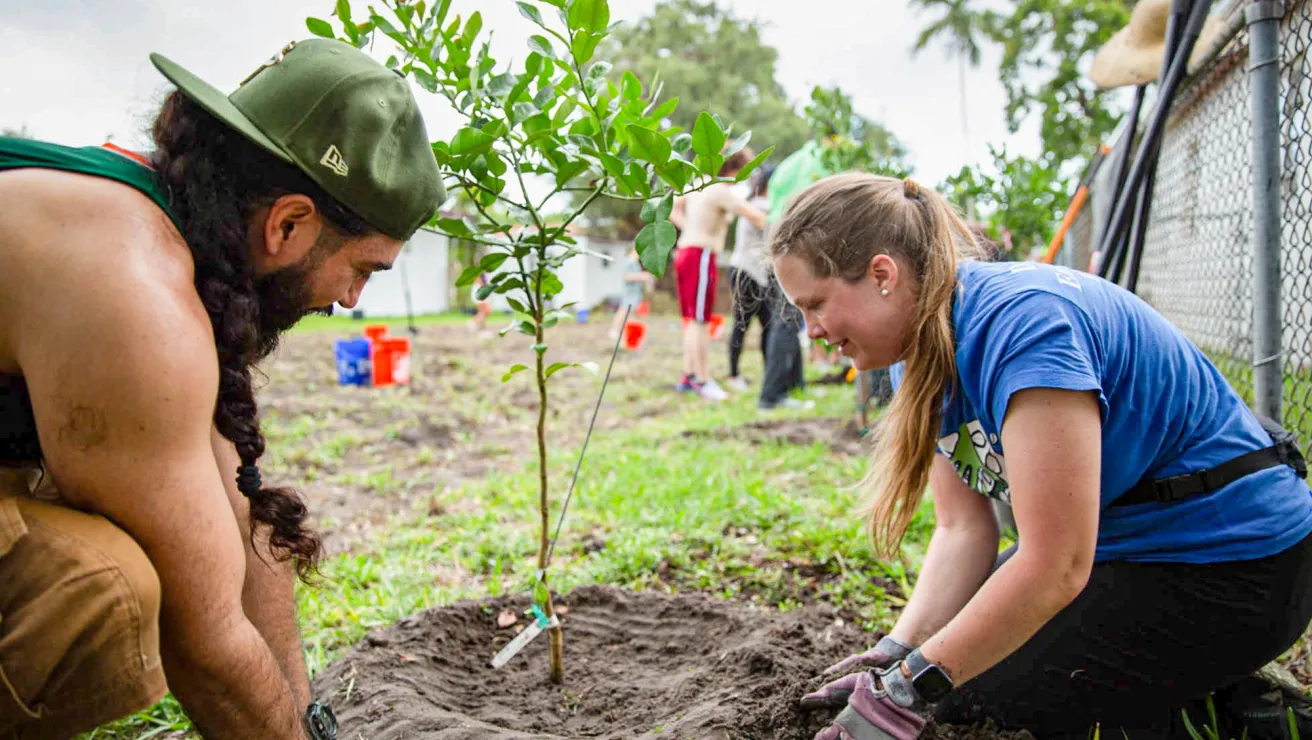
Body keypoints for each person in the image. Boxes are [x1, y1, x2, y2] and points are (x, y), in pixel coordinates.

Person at [0, 38, 444, 738]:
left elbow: (240, 522)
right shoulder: (132, 289)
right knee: (97, 586)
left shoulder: (157, 221)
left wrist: (306, 723)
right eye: (364, 269)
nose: (353, 299)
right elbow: (204, 640)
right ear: (288, 223)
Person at [770, 173, 1312, 739]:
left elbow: (1055, 566)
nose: (810, 331)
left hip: (1238, 565)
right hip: (1131, 552)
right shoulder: (923, 345)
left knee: (972, 698)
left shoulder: (1027, 328)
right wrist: (894, 656)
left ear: (883, 274)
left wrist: (909, 689)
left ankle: (1243, 711)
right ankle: (1173, 680)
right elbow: (962, 529)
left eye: (815, 305)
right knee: (956, 659)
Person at [669, 147, 767, 401]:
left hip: (685, 252)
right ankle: (703, 379)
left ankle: (689, 375)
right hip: (700, 255)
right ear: (734, 169)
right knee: (700, 320)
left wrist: (688, 228)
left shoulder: (699, 183)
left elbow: (672, 207)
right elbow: (756, 217)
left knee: (691, 319)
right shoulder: (721, 191)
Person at [725, 166, 775, 392]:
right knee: (743, 324)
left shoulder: (755, 205)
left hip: (754, 273)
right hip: (747, 272)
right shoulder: (761, 207)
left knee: (765, 325)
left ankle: (767, 375)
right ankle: (734, 375)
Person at [609, 247, 654, 340]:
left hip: (636, 293)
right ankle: (613, 330)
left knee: (632, 314)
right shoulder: (629, 262)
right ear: (633, 251)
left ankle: (630, 333)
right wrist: (642, 276)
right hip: (629, 292)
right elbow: (627, 276)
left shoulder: (636, 263)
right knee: (623, 311)